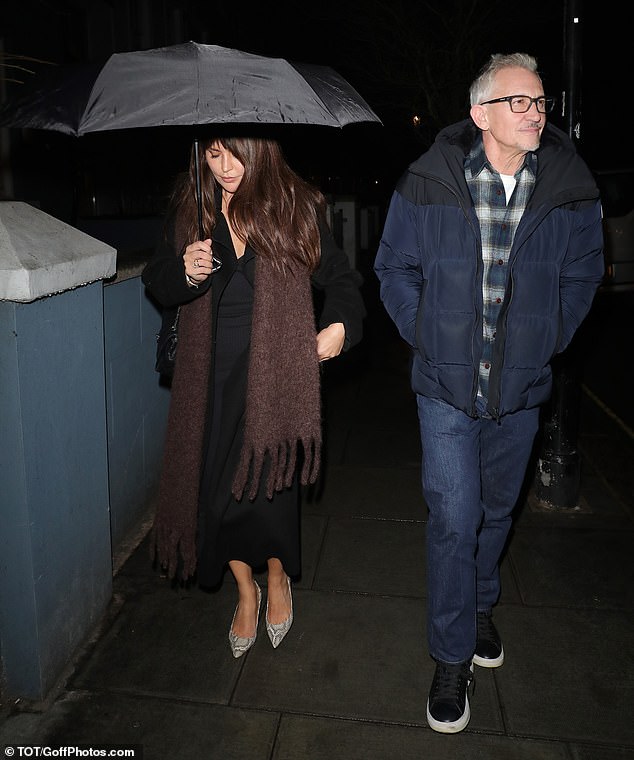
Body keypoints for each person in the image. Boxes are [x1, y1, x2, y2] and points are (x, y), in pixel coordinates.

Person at [374, 53, 604, 733]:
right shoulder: (427, 180)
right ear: (481, 114)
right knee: (453, 519)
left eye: (540, 103)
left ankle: (479, 607)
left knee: (496, 511)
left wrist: (548, 337)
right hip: (445, 388)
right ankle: (450, 658)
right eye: (521, 102)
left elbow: (585, 273)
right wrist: (426, 332)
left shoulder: (568, 183)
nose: (537, 112)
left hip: (522, 389)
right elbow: (393, 266)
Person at [142, 132, 365, 658]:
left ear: (260, 148)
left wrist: (339, 324)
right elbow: (157, 282)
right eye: (212, 154)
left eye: (233, 152)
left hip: (275, 374)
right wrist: (185, 270)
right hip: (211, 376)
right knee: (217, 496)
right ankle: (245, 589)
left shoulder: (294, 205)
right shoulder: (190, 208)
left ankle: (277, 577)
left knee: (268, 496)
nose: (223, 166)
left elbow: (341, 277)